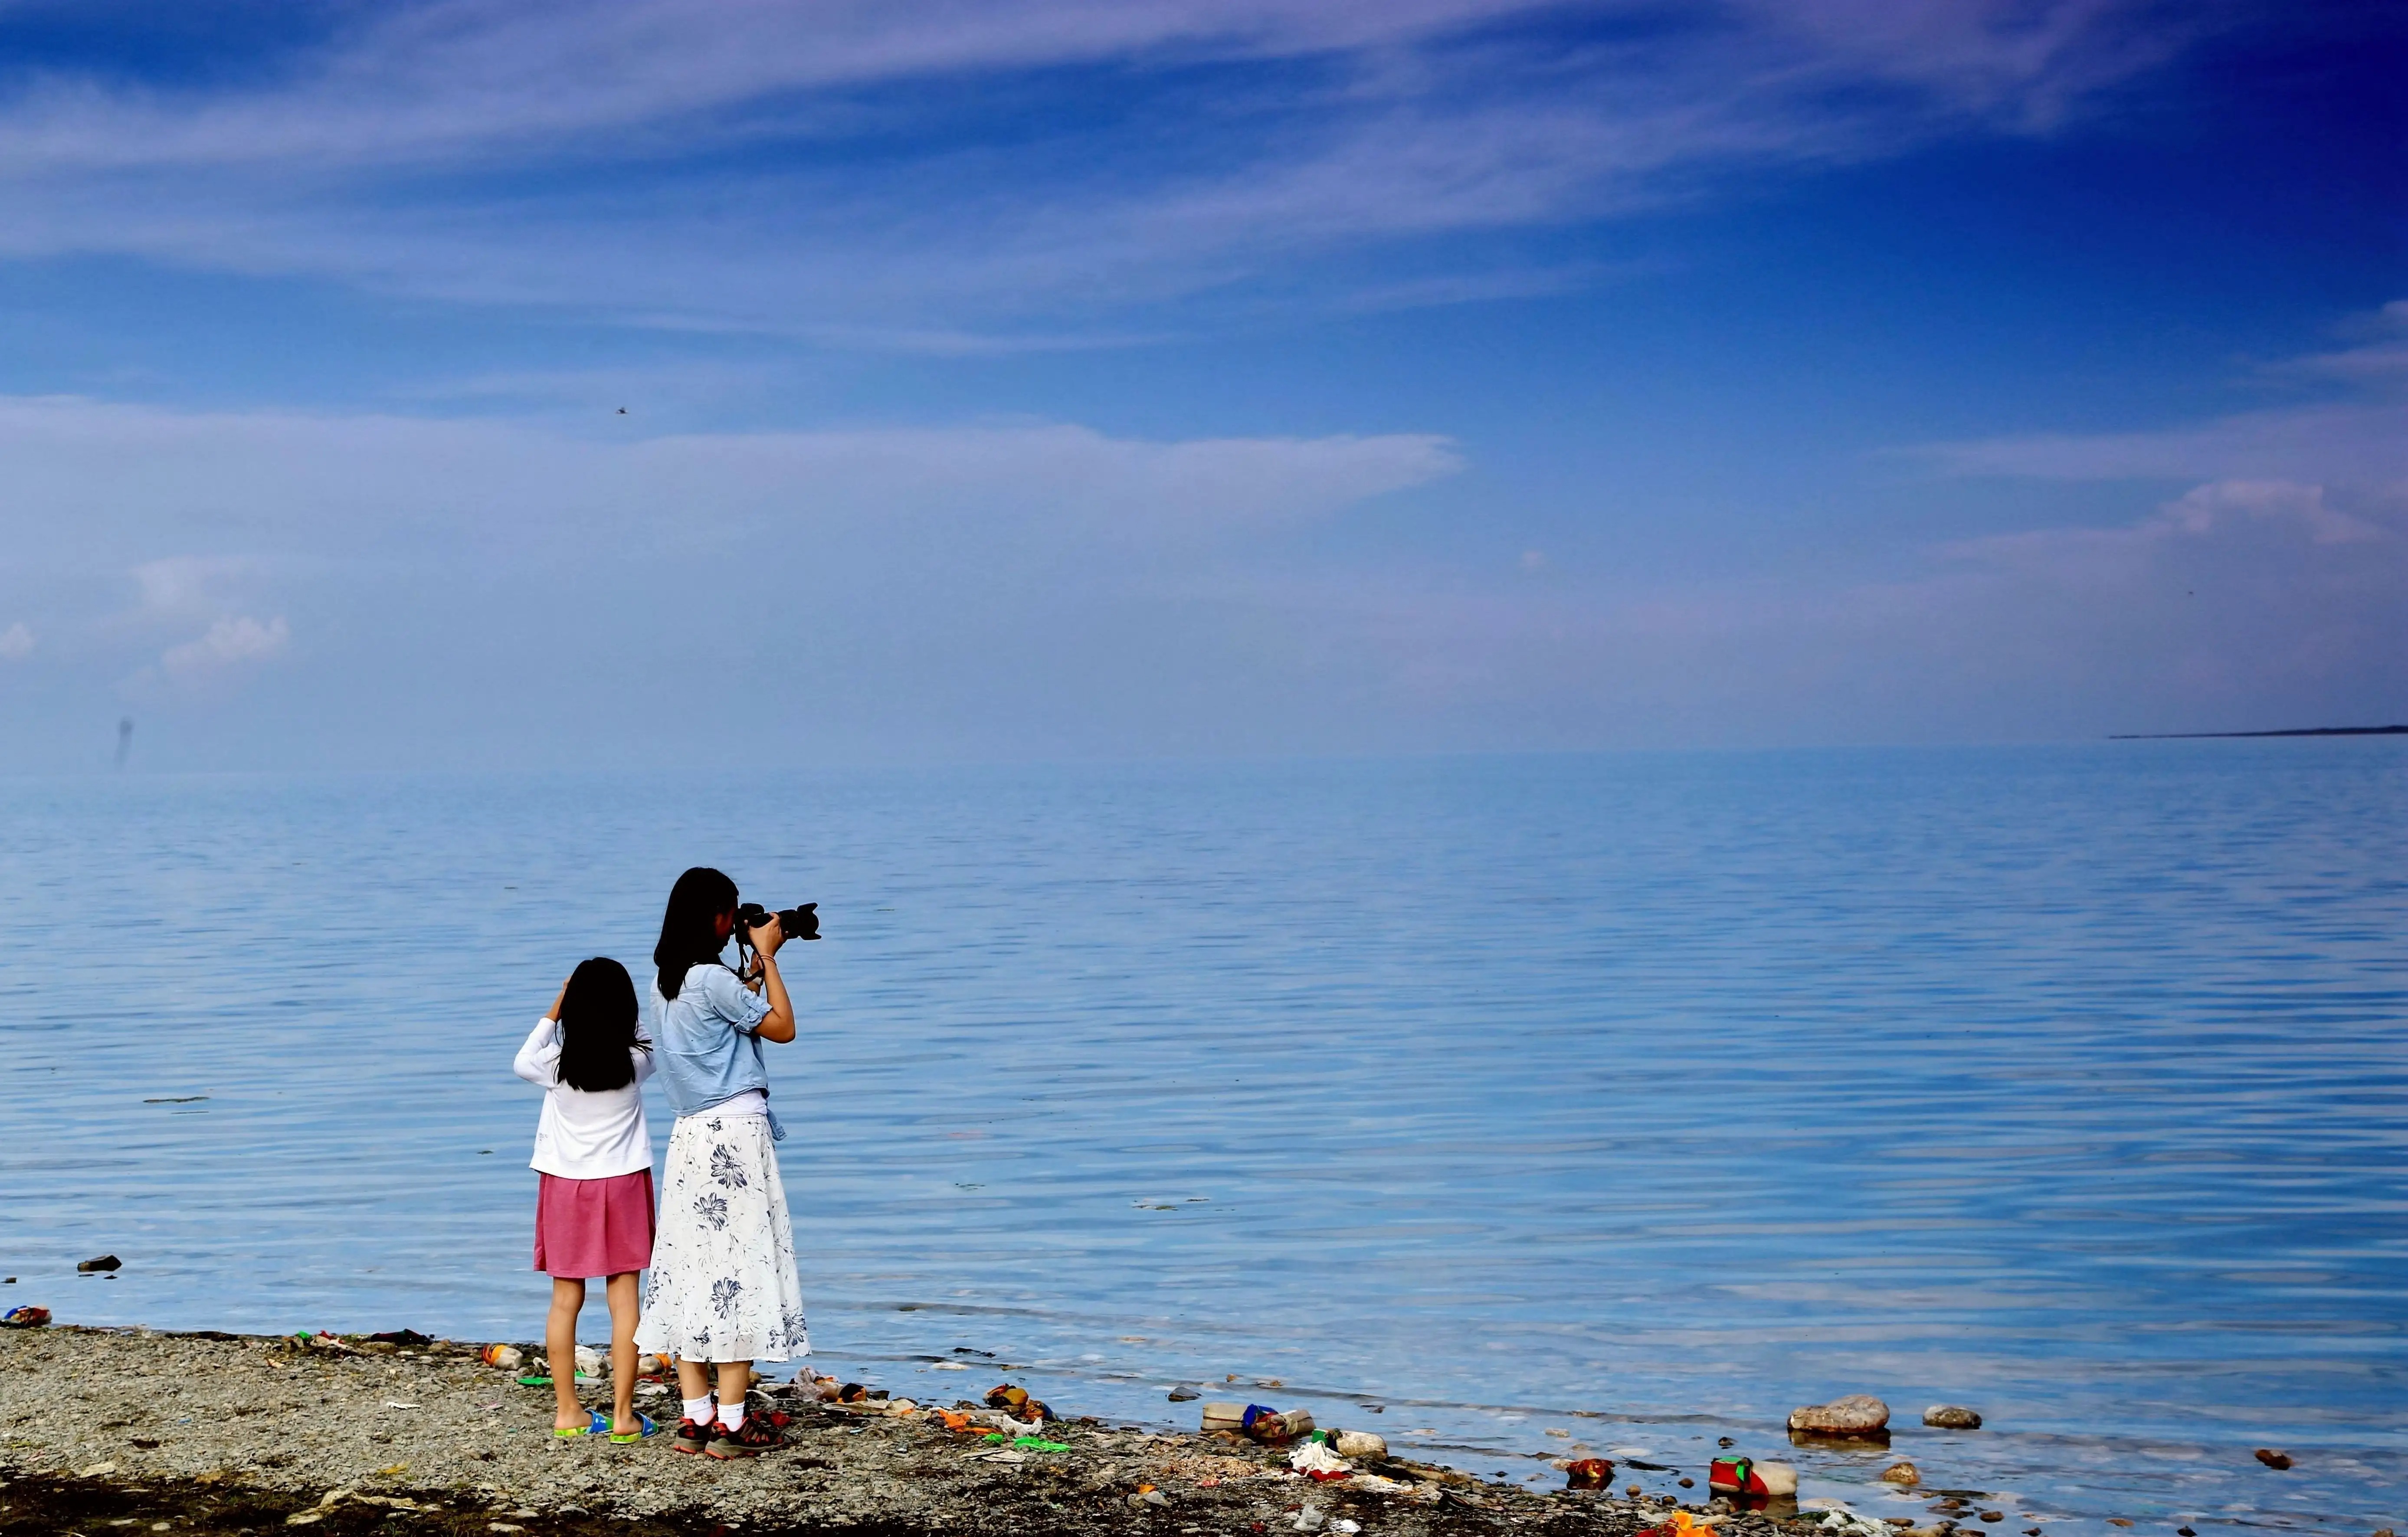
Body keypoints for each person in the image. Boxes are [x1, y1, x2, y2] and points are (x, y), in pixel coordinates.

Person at [635, 866, 811, 1458]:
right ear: (715, 917)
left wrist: (752, 973)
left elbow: (722, 1027)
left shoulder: (664, 981)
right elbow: (783, 1029)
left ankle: (695, 1416)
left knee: (690, 1269)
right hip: (735, 1137)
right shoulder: (713, 979)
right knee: (738, 1270)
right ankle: (732, 1424)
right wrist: (771, 959)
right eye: (731, 913)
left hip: (689, 1138)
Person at [511, 956, 659, 1443]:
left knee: (565, 1300)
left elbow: (521, 1059)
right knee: (624, 1300)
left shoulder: (556, 1066)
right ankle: (622, 1416)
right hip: (622, 1186)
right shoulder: (636, 1063)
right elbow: (644, 1037)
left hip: (566, 1189)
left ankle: (568, 1412)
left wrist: (558, 1005)